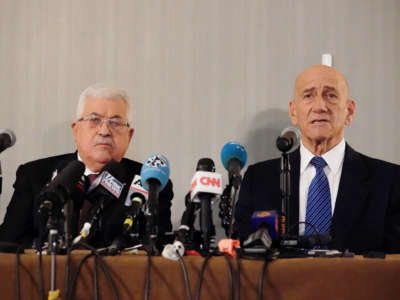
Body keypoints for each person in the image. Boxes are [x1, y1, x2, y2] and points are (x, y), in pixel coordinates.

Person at [235, 65, 400, 254]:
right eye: (308, 96)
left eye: (331, 95)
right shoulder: (258, 180)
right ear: (294, 112)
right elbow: (243, 251)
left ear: (350, 111)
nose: (320, 106)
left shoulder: (390, 182)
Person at [0, 84, 173, 249]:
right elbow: (9, 245)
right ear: (76, 131)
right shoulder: (34, 175)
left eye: (115, 122)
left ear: (129, 135)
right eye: (94, 120)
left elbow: (157, 251)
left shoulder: (151, 183)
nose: (104, 131)